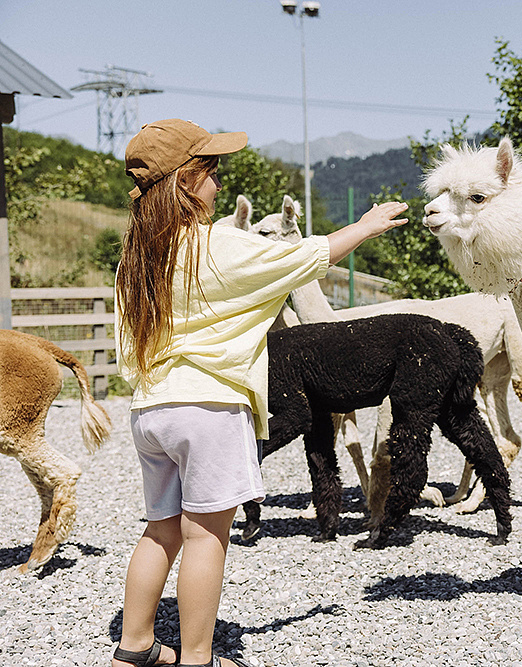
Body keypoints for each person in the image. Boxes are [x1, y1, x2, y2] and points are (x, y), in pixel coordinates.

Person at [111, 118, 407, 667]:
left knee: (161, 531)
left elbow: (127, 342)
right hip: (208, 407)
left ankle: (133, 649)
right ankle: (198, 657)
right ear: (185, 183)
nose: (219, 184)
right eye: (211, 172)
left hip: (151, 408)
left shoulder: (135, 259)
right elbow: (301, 259)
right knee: (205, 538)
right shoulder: (216, 245)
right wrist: (364, 226)